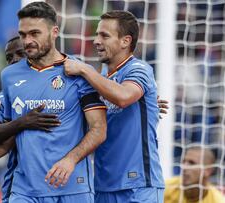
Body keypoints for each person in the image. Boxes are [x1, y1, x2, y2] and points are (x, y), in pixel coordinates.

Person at [0, 2, 107, 203]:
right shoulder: (9, 76)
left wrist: (70, 160)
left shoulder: (79, 72)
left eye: (34, 33)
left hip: (73, 188)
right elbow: (9, 134)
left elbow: (99, 129)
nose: (27, 41)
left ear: (54, 32)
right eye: (23, 35)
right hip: (26, 191)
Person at [63, 10, 164, 202]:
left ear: (125, 41)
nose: (96, 41)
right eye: (97, 34)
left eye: (104, 35)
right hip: (103, 186)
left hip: (139, 186)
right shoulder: (102, 78)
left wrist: (85, 69)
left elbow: (124, 97)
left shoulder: (139, 69)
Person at [0, 36, 61, 203]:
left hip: (63, 184)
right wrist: (23, 121)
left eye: (20, 54)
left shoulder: (59, 89)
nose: (14, 60)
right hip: (22, 187)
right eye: (9, 58)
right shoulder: (2, 97)